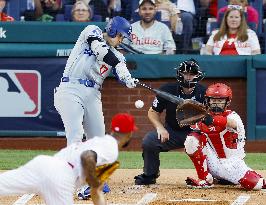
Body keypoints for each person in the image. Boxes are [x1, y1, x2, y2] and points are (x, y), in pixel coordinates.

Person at [0, 113, 137, 205]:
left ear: (112, 129)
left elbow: (96, 192)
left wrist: (95, 185)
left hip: (43, 164)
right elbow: (87, 156)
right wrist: (94, 181)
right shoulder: (111, 149)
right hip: (61, 178)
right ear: (130, 133)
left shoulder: (98, 141)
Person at [54, 16, 138, 146]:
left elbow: (119, 74)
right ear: (111, 30)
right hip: (71, 88)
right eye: (120, 35)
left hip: (93, 95)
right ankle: (71, 165)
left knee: (98, 141)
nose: (121, 40)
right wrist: (118, 65)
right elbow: (101, 51)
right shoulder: (92, 30)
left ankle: (95, 166)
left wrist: (127, 79)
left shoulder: (118, 56)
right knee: (76, 135)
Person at [134, 59, 206, 185]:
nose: (188, 77)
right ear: (179, 74)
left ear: (197, 75)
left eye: (192, 74)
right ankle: (150, 175)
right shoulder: (167, 89)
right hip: (172, 132)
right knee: (149, 141)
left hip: (197, 133)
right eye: (185, 73)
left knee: (213, 144)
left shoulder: (204, 92)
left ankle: (215, 175)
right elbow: (153, 111)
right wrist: (160, 128)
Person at [184, 83, 266, 190]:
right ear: (208, 101)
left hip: (232, 164)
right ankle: (205, 179)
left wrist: (212, 120)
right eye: (213, 100)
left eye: (220, 101)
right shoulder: (204, 118)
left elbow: (231, 123)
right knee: (191, 139)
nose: (216, 103)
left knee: (256, 184)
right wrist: (192, 116)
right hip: (213, 162)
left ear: (227, 101)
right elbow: (191, 127)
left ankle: (253, 179)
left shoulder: (233, 116)